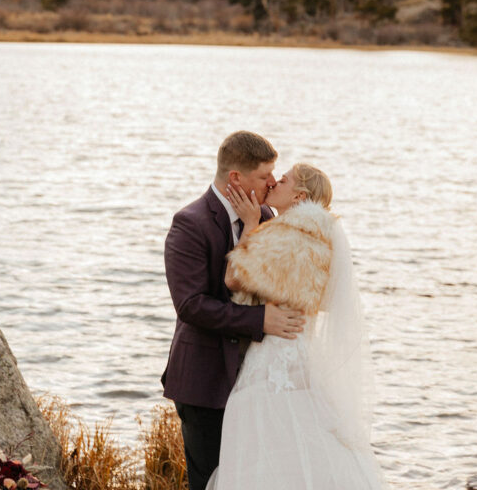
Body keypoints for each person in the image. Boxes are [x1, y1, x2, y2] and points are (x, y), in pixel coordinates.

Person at [205, 162, 385, 490]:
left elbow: (233, 278)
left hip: (274, 356)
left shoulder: (287, 233)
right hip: (303, 354)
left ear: (299, 194)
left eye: (284, 180)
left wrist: (250, 223)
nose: (274, 182)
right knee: (303, 439)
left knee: (259, 432)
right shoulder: (323, 237)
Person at [161, 131, 305, 490]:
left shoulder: (268, 215)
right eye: (264, 175)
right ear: (235, 179)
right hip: (205, 382)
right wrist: (261, 321)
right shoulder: (190, 223)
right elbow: (191, 305)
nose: (272, 182)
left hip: (256, 379)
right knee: (211, 481)